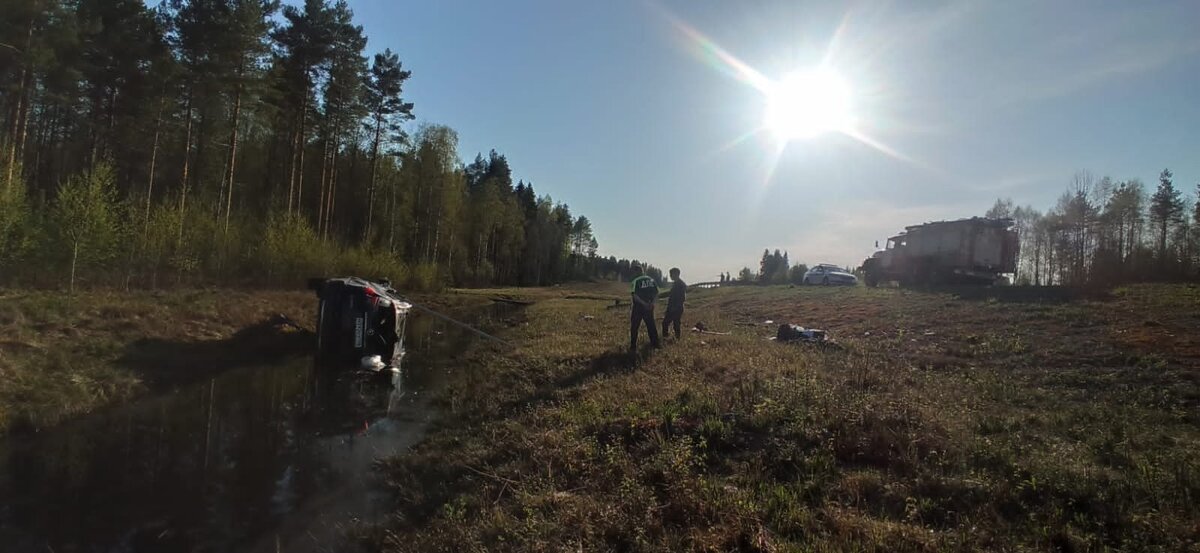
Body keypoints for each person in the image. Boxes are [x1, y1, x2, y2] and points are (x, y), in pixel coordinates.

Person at [628, 264, 660, 351]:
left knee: (635, 327)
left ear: (636, 272)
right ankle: (655, 344)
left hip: (638, 307)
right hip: (650, 307)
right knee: (651, 326)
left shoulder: (635, 281)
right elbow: (657, 293)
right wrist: (652, 303)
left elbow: (635, 296)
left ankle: (633, 346)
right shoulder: (651, 279)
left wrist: (643, 304)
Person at [661, 267, 685, 340]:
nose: (670, 276)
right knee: (673, 323)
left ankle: (669, 338)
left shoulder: (680, 284)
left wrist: (674, 307)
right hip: (673, 307)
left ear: (676, 274)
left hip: (676, 308)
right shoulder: (676, 284)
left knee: (671, 323)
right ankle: (674, 338)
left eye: (671, 274)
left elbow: (682, 298)